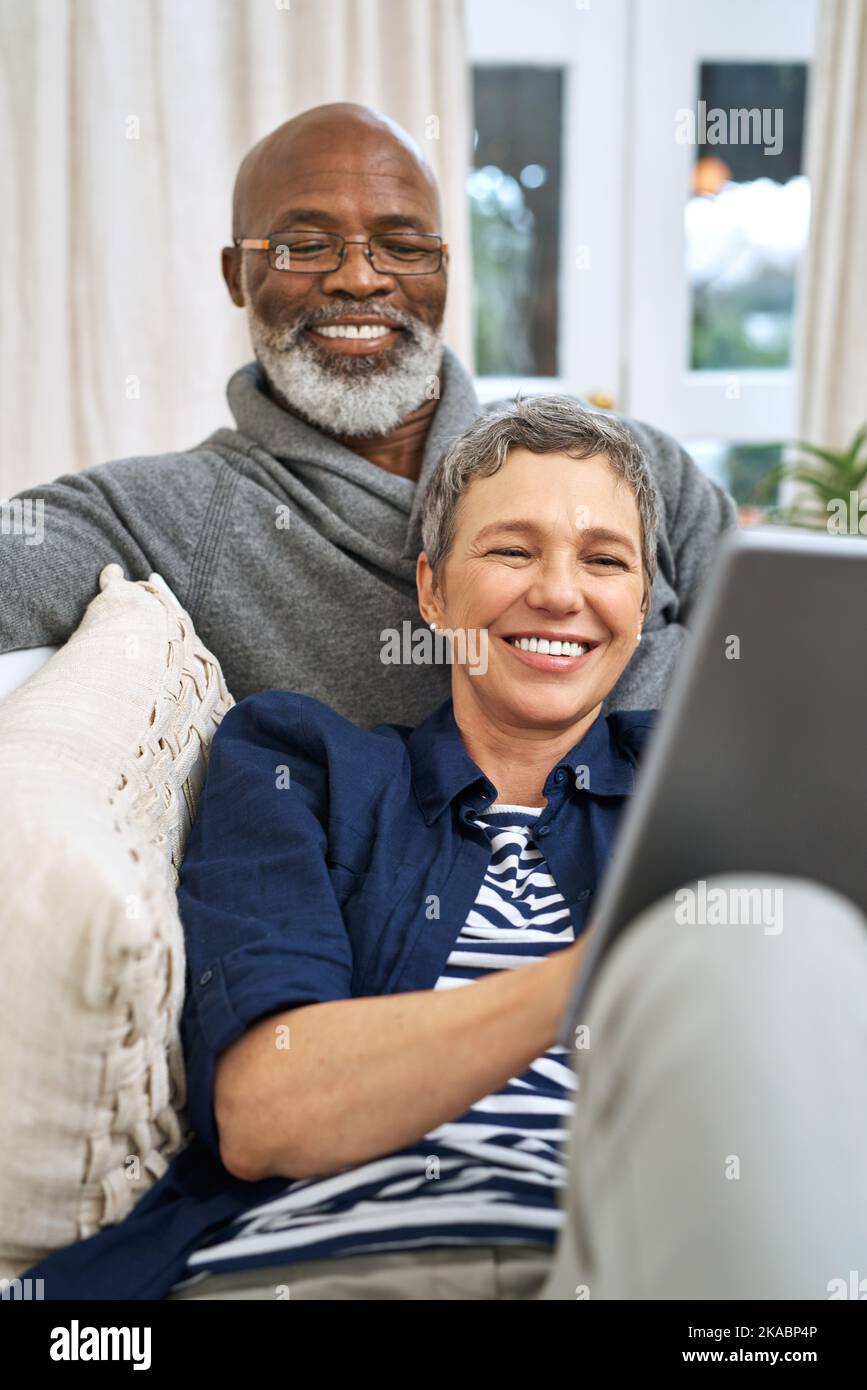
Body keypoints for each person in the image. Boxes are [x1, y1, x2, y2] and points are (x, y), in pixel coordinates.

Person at [22, 399, 867, 1301]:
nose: (557, 592)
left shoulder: (710, 770)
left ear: (638, 605)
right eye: (511, 550)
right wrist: (613, 964)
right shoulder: (303, 768)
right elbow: (269, 1114)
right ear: (432, 591)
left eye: (604, 560)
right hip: (327, 1269)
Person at [0, 102, 736, 727]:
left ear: (443, 271)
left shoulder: (636, 465)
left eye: (401, 245)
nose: (358, 277)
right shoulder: (156, 515)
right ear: (237, 275)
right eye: (306, 245)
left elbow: (782, 654)